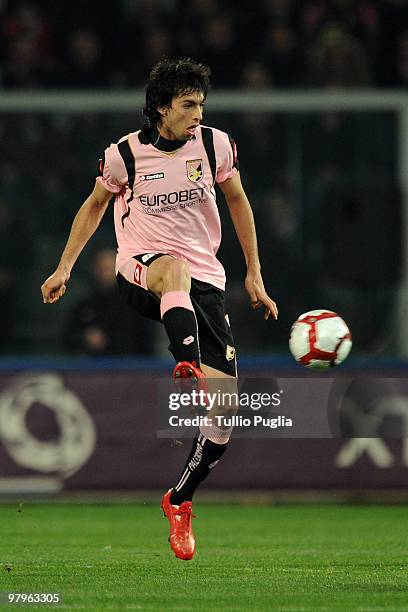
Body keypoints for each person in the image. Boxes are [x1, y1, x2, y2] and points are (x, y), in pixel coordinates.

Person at [41, 57, 278, 561]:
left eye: (201, 105)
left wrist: (253, 273)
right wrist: (65, 267)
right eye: (189, 105)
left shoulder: (215, 145)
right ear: (160, 108)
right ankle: (184, 360)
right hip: (142, 270)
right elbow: (94, 207)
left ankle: (179, 499)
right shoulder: (123, 155)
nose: (198, 114)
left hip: (206, 281)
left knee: (225, 416)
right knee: (171, 268)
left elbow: (238, 201)